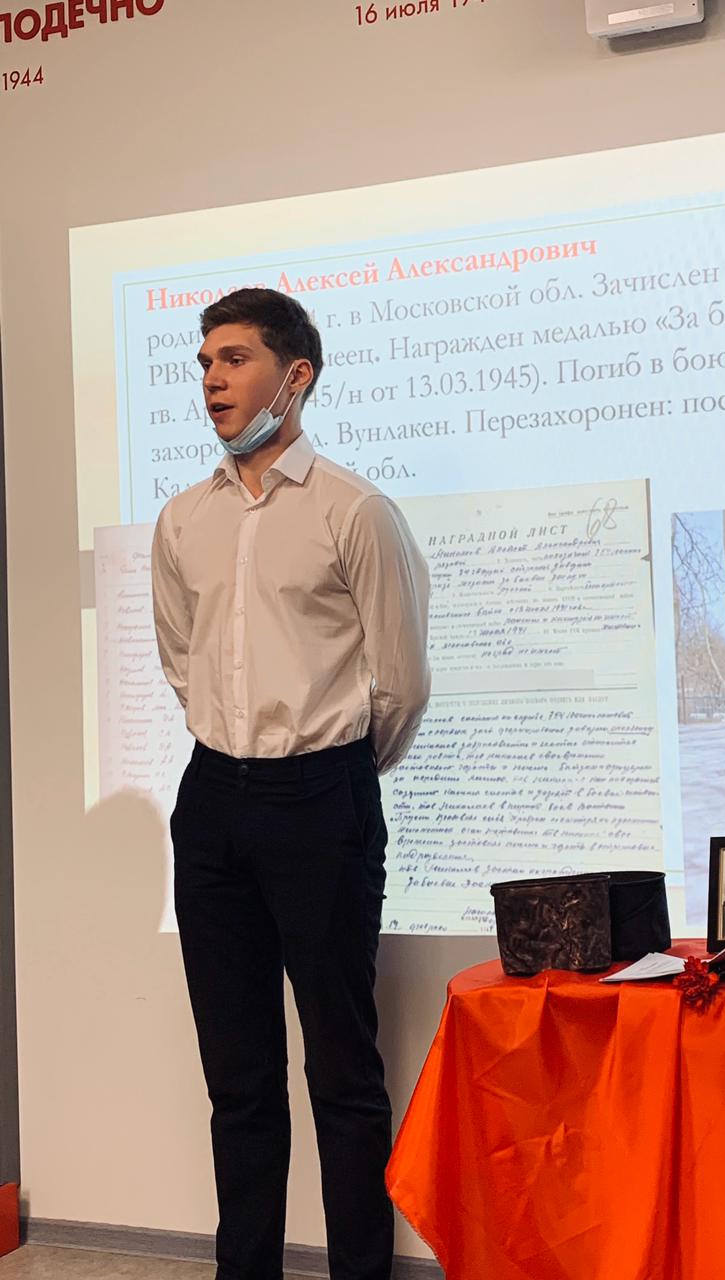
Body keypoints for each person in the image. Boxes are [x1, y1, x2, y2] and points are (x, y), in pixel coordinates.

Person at [151, 287, 430, 1280]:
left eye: (234, 359)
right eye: (204, 363)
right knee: (238, 1081)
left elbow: (399, 682)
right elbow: (181, 661)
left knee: (342, 1072)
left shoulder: (355, 510)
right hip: (212, 803)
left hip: (322, 797)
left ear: (295, 375)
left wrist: (330, 770)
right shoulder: (183, 519)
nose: (212, 380)